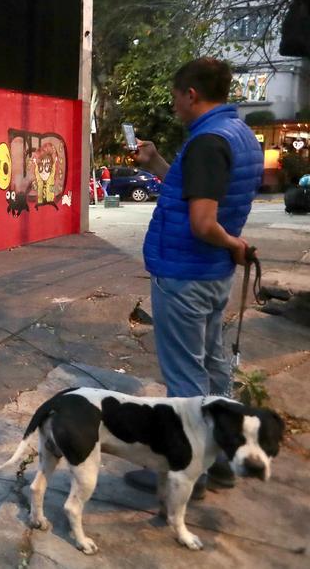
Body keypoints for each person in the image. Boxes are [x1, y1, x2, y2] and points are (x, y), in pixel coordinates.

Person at [125, 57, 263, 499]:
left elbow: (203, 223)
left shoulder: (207, 142)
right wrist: (156, 161)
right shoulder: (239, 134)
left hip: (185, 274)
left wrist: (234, 244)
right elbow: (196, 193)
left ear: (191, 94)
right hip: (211, 274)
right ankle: (221, 461)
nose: (173, 106)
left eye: (175, 97)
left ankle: (186, 476)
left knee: (186, 380)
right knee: (214, 367)